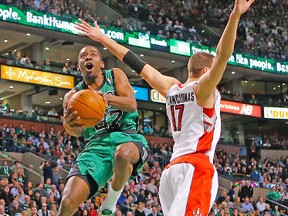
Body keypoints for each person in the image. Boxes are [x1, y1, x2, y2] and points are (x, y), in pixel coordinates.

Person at [75, 0, 255, 215]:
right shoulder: (203, 89)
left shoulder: (171, 88)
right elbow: (223, 55)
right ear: (207, 70)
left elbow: (136, 63)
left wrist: (103, 38)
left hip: (171, 172)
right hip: (196, 166)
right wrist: (235, 15)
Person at [58, 45, 149, 216]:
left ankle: (109, 205)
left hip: (127, 137)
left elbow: (131, 104)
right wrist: (68, 126)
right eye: (83, 56)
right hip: (96, 147)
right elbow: (77, 132)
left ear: (101, 63)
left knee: (123, 154)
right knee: (67, 202)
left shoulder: (114, 75)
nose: (88, 57)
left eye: (93, 54)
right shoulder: (72, 96)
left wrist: (106, 99)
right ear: (79, 66)